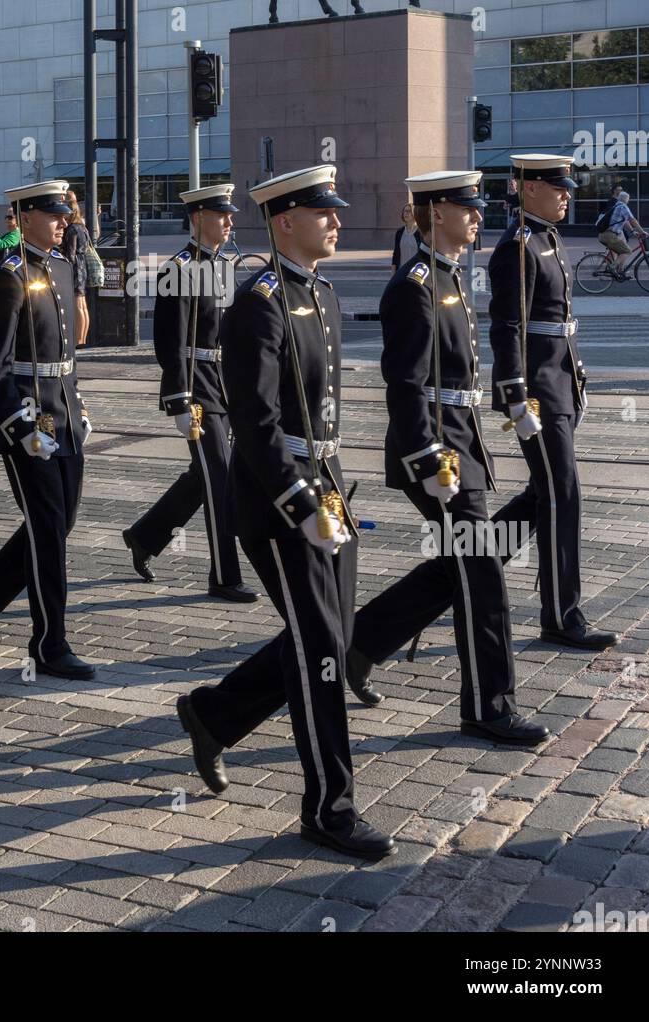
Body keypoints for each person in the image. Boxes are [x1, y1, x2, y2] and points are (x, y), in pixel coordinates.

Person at [175, 165, 394, 862]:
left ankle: (214, 713)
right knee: (323, 650)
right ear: (285, 222)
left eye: (335, 209)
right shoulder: (259, 302)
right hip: (276, 500)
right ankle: (328, 808)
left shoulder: (319, 292)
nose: (335, 220)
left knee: (324, 633)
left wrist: (324, 487)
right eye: (321, 212)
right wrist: (298, 501)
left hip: (324, 483)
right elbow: (257, 419)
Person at [348, 172, 549, 746]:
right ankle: (491, 707)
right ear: (436, 213)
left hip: (461, 443)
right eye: (468, 207)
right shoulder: (413, 285)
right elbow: (405, 385)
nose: (479, 216)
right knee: (482, 575)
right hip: (438, 451)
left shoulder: (449, 276)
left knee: (456, 565)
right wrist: (429, 455)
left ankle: (363, 642)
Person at [0, 180, 95, 680]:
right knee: (49, 534)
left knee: (60, 523)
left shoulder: (59, 266)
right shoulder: (8, 276)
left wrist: (77, 408)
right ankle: (49, 643)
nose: (64, 221)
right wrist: (21, 425)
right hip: (31, 422)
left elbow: (66, 355)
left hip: (64, 415)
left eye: (64, 214)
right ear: (26, 216)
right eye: (54, 214)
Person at [488, 154, 619, 649]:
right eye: (557, 187)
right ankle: (562, 616)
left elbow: (558, 320)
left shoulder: (548, 238)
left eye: (567, 187)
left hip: (559, 384)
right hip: (538, 393)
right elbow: (507, 328)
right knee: (563, 495)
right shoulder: (519, 246)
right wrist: (516, 396)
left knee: (541, 496)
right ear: (527, 189)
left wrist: (577, 376)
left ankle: (468, 566)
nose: (567, 194)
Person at [122, 185, 257, 602]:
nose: (230, 221)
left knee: (204, 477)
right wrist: (180, 399)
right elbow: (170, 343)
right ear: (198, 217)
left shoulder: (219, 265)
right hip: (197, 387)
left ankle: (145, 536)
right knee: (219, 479)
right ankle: (224, 576)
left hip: (222, 383)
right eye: (222, 215)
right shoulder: (178, 269)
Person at [61, 190, 91, 347]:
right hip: (82, 266)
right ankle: (83, 337)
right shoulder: (82, 226)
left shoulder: (72, 228)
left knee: (78, 304)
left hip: (76, 268)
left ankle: (79, 339)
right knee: (83, 304)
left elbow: (71, 255)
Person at [598, 190, 643, 278]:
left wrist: (633, 231)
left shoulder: (616, 206)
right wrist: (642, 231)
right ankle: (612, 268)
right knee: (627, 251)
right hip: (610, 236)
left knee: (621, 250)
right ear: (626, 200)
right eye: (628, 200)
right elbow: (632, 220)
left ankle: (619, 271)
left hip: (604, 235)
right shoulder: (623, 207)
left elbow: (625, 221)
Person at [390, 204, 422, 270]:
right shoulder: (400, 232)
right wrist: (393, 274)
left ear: (414, 213)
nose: (406, 213)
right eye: (405, 211)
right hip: (401, 271)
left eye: (409, 211)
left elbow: (424, 256)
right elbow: (396, 254)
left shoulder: (421, 232)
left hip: (416, 273)